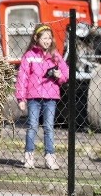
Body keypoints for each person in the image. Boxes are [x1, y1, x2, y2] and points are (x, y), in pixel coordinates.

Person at [15, 24, 69, 170]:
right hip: (34, 98)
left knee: (49, 128)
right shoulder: (29, 56)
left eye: (49, 38)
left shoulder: (55, 56)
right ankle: (29, 156)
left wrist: (60, 76)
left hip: (51, 98)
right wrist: (21, 98)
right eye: (44, 38)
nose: (47, 41)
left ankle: (50, 157)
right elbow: (22, 77)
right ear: (36, 38)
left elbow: (66, 73)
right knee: (32, 126)